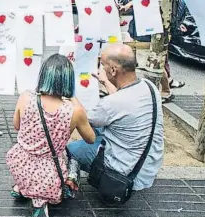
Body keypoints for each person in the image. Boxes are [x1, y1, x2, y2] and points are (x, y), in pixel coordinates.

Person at [6, 54, 96, 217]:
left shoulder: (26, 98)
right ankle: (40, 203)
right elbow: (91, 139)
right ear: (69, 80)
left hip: (18, 162)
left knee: (29, 170)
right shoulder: (74, 111)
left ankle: (22, 188)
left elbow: (17, 126)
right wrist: (73, 97)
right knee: (73, 159)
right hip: (49, 174)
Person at [67, 45, 164, 192]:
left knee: (70, 149)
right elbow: (121, 100)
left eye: (102, 65)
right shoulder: (149, 87)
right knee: (100, 127)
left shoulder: (111, 104)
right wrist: (105, 82)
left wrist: (70, 94)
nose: (100, 68)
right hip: (147, 168)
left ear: (113, 70)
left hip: (123, 175)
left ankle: (72, 179)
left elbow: (83, 117)